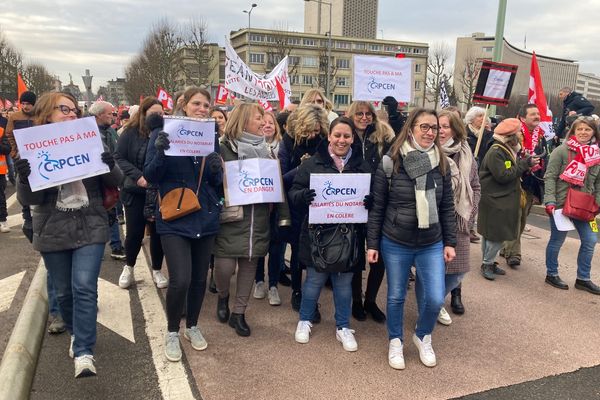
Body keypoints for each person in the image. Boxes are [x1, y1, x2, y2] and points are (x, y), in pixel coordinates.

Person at [15, 92, 122, 377]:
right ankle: (76, 333)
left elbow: (118, 182)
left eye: (74, 110)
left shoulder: (91, 139)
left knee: (84, 286)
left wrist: (108, 163)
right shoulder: (32, 146)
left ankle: (85, 352)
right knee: (63, 293)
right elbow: (27, 200)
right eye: (64, 109)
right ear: (46, 113)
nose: (72, 114)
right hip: (53, 228)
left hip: (91, 223)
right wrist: (23, 175)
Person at [367, 108, 456, 369]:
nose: (430, 132)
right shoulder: (391, 161)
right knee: (396, 296)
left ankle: (422, 335)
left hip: (431, 241)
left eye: (434, 128)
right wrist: (372, 244)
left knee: (436, 298)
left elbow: (447, 206)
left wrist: (450, 242)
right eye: (424, 127)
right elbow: (378, 207)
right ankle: (395, 341)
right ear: (411, 128)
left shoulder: (441, 163)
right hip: (396, 241)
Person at [144, 87, 223, 361]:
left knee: (200, 279)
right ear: (184, 105)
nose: (202, 109)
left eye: (206, 104)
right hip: (175, 216)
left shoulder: (212, 136)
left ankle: (192, 326)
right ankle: (172, 332)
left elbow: (216, 183)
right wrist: (160, 152)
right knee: (181, 280)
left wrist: (215, 169)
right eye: (197, 104)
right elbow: (151, 176)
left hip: (205, 215)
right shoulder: (164, 132)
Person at [291, 117, 371, 352]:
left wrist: (370, 201)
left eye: (346, 136)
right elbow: (294, 192)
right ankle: (304, 320)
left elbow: (373, 196)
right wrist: (303, 195)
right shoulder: (312, 164)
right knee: (314, 280)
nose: (341, 140)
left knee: (344, 283)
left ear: (353, 139)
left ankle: (343, 326)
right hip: (318, 235)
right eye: (337, 135)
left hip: (349, 235)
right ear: (329, 136)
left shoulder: (362, 165)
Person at [213, 103, 290, 337]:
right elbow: (212, 184)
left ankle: (239, 313)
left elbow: (276, 184)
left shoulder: (268, 151)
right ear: (244, 120)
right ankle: (223, 296)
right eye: (258, 118)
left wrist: (283, 215)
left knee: (249, 267)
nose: (264, 122)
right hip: (231, 219)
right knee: (224, 268)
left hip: (258, 220)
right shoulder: (222, 149)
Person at [346, 100, 396, 322]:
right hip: (352, 202)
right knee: (356, 254)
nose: (364, 117)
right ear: (352, 114)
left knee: (379, 255)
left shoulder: (383, 134)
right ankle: (356, 301)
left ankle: (371, 300)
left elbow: (395, 158)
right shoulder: (344, 133)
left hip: (379, 201)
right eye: (360, 113)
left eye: (368, 113)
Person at [278, 104, 328, 316]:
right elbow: (280, 177)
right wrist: (302, 168)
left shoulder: (324, 142)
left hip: (321, 201)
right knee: (298, 250)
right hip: (296, 202)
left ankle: (312, 295)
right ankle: (297, 291)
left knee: (319, 249)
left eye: (316, 130)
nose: (313, 135)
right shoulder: (288, 143)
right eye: (309, 130)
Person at [433, 110, 480, 323]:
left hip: (459, 221)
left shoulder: (466, 153)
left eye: (446, 126)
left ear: (455, 129)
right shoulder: (428, 151)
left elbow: (475, 186)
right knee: (433, 270)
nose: (441, 130)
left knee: (456, 273)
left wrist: (470, 213)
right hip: (433, 220)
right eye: (437, 126)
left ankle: (437, 299)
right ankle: (433, 306)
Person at [115, 98, 167, 289]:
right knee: (134, 233)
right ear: (143, 114)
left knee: (157, 234)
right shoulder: (130, 132)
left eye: (161, 113)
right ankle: (129, 267)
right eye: (154, 113)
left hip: (158, 193)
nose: (158, 117)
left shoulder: (165, 133)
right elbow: (118, 156)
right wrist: (138, 177)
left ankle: (157, 270)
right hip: (136, 191)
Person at [543, 117, 600, 294]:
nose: (583, 132)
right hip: (561, 204)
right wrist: (550, 200)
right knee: (557, 240)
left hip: (585, 206)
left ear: (594, 133)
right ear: (573, 132)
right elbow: (550, 177)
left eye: (587, 129)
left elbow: (598, 182)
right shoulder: (561, 151)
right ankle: (551, 274)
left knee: (590, 240)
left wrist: (598, 203)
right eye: (580, 129)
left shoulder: (596, 155)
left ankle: (583, 278)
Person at [477, 118, 539, 280]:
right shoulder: (497, 151)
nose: (521, 134)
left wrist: (522, 161)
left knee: (490, 234)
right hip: (496, 199)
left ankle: (488, 261)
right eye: (518, 131)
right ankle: (487, 263)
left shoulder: (505, 149)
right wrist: (524, 164)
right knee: (496, 234)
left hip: (498, 198)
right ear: (510, 135)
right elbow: (504, 175)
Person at [501, 105, 548, 268]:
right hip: (514, 181)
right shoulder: (513, 135)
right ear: (522, 118)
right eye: (533, 114)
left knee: (522, 219)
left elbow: (544, 160)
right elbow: (506, 158)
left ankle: (505, 246)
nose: (537, 116)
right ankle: (514, 253)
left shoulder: (541, 136)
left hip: (531, 183)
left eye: (538, 113)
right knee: (515, 218)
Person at [253, 110, 289, 305]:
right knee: (260, 246)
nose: (267, 125)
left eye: (271, 123)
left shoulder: (282, 147)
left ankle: (273, 285)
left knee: (276, 247)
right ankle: (259, 281)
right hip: (258, 204)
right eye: (263, 122)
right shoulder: (250, 147)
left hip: (277, 204)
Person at [88, 101, 126, 261]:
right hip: (96, 184)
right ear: (98, 115)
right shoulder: (88, 133)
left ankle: (116, 246)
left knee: (112, 213)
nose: (113, 116)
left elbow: (116, 153)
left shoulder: (110, 131)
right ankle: (110, 246)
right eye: (110, 114)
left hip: (111, 178)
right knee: (106, 214)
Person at [6, 91, 36, 241]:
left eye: (28, 104)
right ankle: (26, 214)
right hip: (21, 157)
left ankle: (38, 210)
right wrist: (14, 150)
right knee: (22, 184)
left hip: (37, 156)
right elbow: (9, 134)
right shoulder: (15, 117)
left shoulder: (40, 116)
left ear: (33, 104)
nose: (25, 106)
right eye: (23, 104)